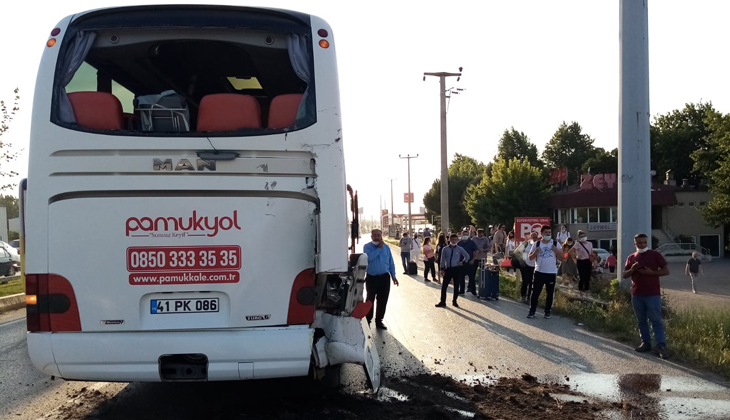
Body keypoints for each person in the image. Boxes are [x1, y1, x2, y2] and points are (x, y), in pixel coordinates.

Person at [622, 233, 670, 359]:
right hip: (637, 294)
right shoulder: (631, 257)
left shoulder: (655, 255)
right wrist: (632, 269)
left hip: (652, 294)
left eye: (644, 242)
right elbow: (624, 275)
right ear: (635, 244)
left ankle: (660, 345)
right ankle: (646, 343)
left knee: (656, 320)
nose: (642, 245)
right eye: (639, 243)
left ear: (647, 242)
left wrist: (651, 273)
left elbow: (666, 271)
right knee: (641, 320)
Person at [362, 229, 399, 330]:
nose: (377, 237)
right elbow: (368, 258)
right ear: (371, 236)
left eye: (379, 235)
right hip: (372, 278)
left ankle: (379, 321)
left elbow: (390, 262)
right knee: (370, 299)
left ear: (381, 236)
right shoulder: (367, 247)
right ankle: (368, 320)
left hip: (384, 278)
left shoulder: (386, 248)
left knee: (382, 300)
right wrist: (378, 249)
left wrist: (394, 276)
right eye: (375, 235)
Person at [527, 225, 564, 319]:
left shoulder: (555, 244)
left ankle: (547, 311)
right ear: (542, 233)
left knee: (550, 293)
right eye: (546, 232)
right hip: (539, 272)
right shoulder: (537, 244)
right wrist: (536, 252)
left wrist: (556, 251)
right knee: (535, 292)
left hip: (551, 272)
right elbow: (530, 258)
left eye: (549, 232)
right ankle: (532, 311)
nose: (548, 234)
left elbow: (562, 258)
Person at [435, 234, 470, 308]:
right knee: (444, 286)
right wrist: (441, 269)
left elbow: (467, 256)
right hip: (448, 269)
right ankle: (442, 301)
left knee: (456, 286)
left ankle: (454, 301)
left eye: (455, 239)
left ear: (457, 240)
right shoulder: (445, 249)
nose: (454, 241)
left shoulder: (460, 249)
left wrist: (462, 263)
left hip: (456, 269)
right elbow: (442, 259)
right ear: (449, 240)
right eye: (452, 239)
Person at [518, 231, 538, 303]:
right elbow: (518, 252)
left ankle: (529, 297)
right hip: (525, 265)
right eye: (533, 237)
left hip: (534, 266)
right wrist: (521, 260)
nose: (534, 238)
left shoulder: (538, 244)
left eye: (536, 237)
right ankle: (522, 296)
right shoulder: (525, 244)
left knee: (531, 282)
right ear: (530, 237)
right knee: (525, 281)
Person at [457, 230, 478, 295]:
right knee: (461, 277)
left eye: (466, 234)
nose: (465, 235)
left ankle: (473, 290)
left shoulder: (471, 243)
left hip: (470, 262)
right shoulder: (459, 243)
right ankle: (461, 290)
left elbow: (476, 251)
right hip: (461, 263)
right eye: (464, 234)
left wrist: (473, 260)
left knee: (471, 277)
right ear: (461, 235)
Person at [574, 230, 593, 297]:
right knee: (582, 277)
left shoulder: (590, 244)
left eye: (584, 236)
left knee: (587, 277)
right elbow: (571, 251)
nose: (583, 238)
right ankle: (581, 292)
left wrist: (593, 259)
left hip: (588, 261)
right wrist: (574, 258)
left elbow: (591, 252)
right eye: (581, 237)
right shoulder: (578, 244)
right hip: (580, 261)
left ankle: (587, 291)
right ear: (579, 238)